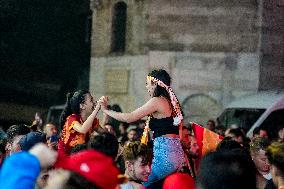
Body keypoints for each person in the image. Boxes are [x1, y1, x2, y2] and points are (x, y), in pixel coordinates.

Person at [99, 69, 185, 187]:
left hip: (164, 158)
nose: (146, 87)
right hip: (178, 157)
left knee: (130, 179)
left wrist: (106, 111)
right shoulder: (173, 103)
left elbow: (130, 117)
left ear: (155, 84)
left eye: (147, 83)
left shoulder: (157, 100)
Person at [58, 90, 102, 156]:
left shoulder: (92, 121)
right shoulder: (72, 119)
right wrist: (96, 110)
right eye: (91, 100)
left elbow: (105, 133)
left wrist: (105, 110)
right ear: (82, 106)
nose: (94, 102)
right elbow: (83, 129)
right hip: (67, 158)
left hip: (81, 156)